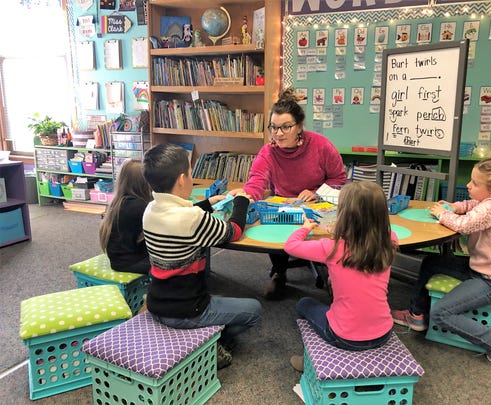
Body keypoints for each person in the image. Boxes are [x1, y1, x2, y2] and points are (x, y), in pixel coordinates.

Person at [391, 156, 491, 367]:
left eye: (474, 183)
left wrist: (444, 214)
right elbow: (474, 205)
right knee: (432, 262)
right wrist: (456, 206)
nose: (468, 185)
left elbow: (463, 226)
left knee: (441, 313)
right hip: (486, 270)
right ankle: (417, 314)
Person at [141, 143, 262, 369]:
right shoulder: (191, 219)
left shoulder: (150, 210)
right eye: (189, 171)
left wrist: (207, 204)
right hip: (188, 309)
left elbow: (179, 218)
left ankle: (196, 337)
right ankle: (207, 345)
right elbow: (233, 231)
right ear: (181, 180)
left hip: (157, 303)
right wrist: (242, 202)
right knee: (254, 310)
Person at [229, 88, 347, 299]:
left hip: (318, 205)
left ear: (299, 127)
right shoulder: (268, 151)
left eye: (285, 127)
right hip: (284, 206)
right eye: (273, 127)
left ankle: (332, 275)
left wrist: (315, 192)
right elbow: (257, 180)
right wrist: (246, 194)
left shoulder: (321, 146)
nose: (278, 133)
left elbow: (338, 179)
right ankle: (280, 273)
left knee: (330, 231)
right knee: (270, 227)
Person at [284, 181, 398, 371]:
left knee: (304, 303)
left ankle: (313, 363)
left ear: (344, 215)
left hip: (343, 336)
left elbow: (291, 246)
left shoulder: (332, 247)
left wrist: (305, 227)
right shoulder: (390, 240)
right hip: (383, 333)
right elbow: (366, 237)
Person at [99, 159, 153, 274]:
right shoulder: (139, 207)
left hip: (118, 259)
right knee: (172, 263)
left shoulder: (118, 202)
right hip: (131, 262)